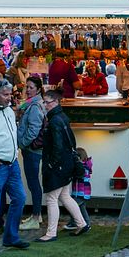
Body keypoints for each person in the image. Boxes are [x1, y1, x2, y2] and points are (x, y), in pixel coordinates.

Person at [0, 79, 29, 254]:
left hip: (11, 163)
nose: (9, 98)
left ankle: (11, 236)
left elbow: (11, 133)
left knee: (20, 198)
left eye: (10, 94)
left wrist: (15, 152)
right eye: (5, 94)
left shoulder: (9, 110)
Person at [37, 89, 89, 241]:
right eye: (44, 102)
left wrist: (52, 164)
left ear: (55, 102)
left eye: (46, 102)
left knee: (52, 198)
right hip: (67, 163)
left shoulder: (54, 121)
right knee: (65, 195)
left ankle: (51, 233)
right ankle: (81, 223)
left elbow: (57, 146)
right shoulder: (62, 117)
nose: (44, 105)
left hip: (58, 165)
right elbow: (70, 142)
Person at [17, 76, 46, 230]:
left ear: (38, 89)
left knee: (33, 183)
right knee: (34, 183)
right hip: (33, 149)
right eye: (26, 87)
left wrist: (22, 143)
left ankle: (35, 217)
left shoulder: (35, 106)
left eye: (31, 88)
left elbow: (33, 130)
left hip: (32, 150)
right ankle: (37, 214)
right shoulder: (33, 103)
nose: (27, 90)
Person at [66, 148, 93, 229]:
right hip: (82, 191)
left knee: (72, 206)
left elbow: (79, 175)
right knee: (81, 208)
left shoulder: (83, 166)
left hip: (81, 191)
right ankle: (87, 223)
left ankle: (73, 222)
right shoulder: (87, 165)